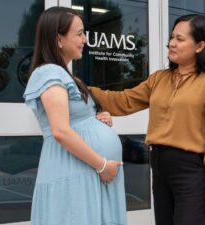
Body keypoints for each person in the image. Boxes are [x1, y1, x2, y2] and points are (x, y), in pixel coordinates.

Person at [90, 14, 205, 225]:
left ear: (200, 45)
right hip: (159, 164)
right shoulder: (159, 79)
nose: (171, 43)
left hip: (191, 169)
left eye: (180, 39)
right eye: (172, 37)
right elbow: (124, 101)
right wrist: (83, 89)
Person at [23, 7, 126, 225]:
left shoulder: (67, 75)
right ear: (58, 39)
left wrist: (99, 117)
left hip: (82, 169)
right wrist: (101, 165)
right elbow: (60, 131)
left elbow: (76, 117)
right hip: (72, 169)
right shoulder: (49, 73)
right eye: (79, 33)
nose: (85, 39)